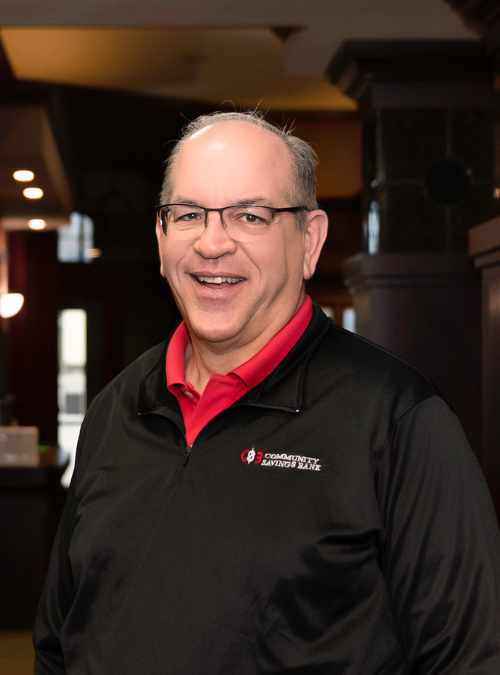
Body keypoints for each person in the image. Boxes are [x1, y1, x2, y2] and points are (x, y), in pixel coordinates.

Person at [34, 112, 500, 674]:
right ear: (160, 240)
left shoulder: (399, 420)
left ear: (310, 240)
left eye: (250, 216)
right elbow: (59, 642)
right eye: (188, 215)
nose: (212, 243)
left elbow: (470, 660)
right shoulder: (114, 409)